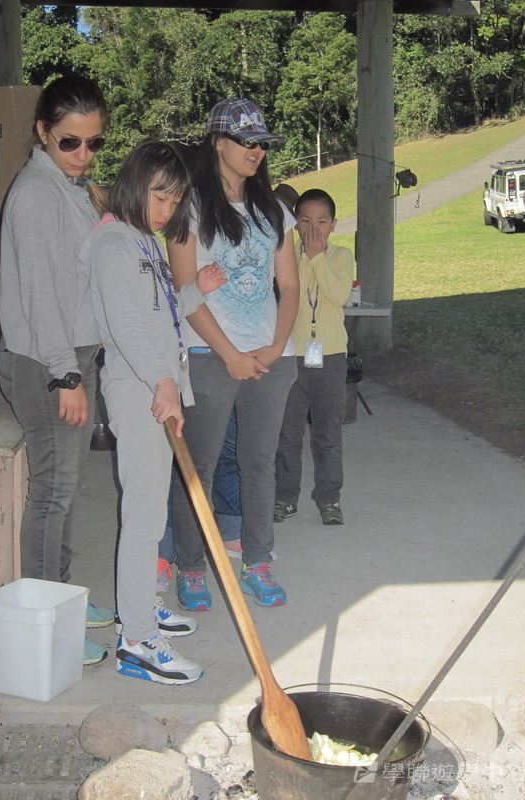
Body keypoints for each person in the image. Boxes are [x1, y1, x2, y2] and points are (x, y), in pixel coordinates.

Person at [87, 140, 226, 683]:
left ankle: (140, 605)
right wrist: (163, 380)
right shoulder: (113, 244)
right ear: (134, 183)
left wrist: (193, 291)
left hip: (158, 387)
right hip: (139, 388)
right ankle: (137, 641)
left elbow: (161, 309)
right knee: (144, 517)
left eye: (174, 201)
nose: (166, 211)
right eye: (159, 197)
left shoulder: (141, 240)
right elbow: (125, 324)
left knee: (152, 513)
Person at [0, 75, 114, 667]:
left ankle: (61, 597)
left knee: (67, 489)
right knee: (51, 491)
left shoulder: (71, 185)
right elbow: (41, 297)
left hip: (74, 355)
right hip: (46, 361)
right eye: (71, 142)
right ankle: (45, 623)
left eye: (94, 143)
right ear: (42, 132)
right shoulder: (38, 193)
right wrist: (66, 377)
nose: (84, 155)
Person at [167, 98, 299, 611]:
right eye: (245, 141)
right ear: (217, 143)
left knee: (259, 464)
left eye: (261, 143)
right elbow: (185, 293)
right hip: (208, 356)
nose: (255, 151)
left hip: (270, 357)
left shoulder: (275, 211)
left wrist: (271, 346)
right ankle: (192, 566)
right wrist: (230, 355)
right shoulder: (189, 209)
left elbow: (288, 286)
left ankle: (258, 561)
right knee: (196, 466)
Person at [274, 189, 354, 526]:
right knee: (287, 433)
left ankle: (329, 498)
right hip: (292, 355)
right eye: (305, 221)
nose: (313, 228)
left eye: (321, 221)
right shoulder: (285, 256)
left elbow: (338, 295)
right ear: (295, 223)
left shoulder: (342, 256)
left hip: (331, 356)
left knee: (328, 433)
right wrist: (304, 257)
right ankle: (285, 497)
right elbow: (286, 293)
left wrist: (318, 257)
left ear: (334, 224)